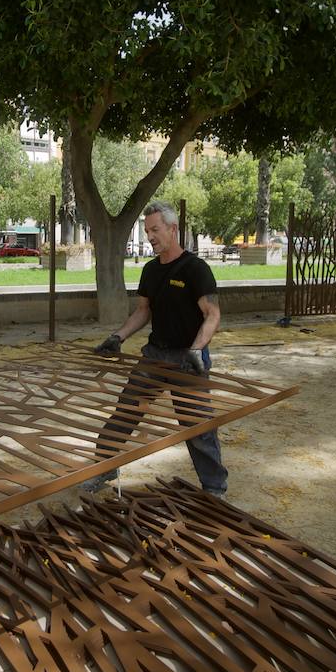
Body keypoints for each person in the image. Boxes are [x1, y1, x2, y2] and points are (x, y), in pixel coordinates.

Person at [84, 201, 228, 495]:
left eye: (155, 230)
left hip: (189, 357)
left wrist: (197, 349)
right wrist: (118, 337)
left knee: (198, 425)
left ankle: (214, 488)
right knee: (124, 413)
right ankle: (104, 467)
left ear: (173, 229)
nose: (150, 236)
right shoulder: (150, 270)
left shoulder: (195, 269)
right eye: (147, 230)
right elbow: (142, 311)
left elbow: (212, 315)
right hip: (155, 355)